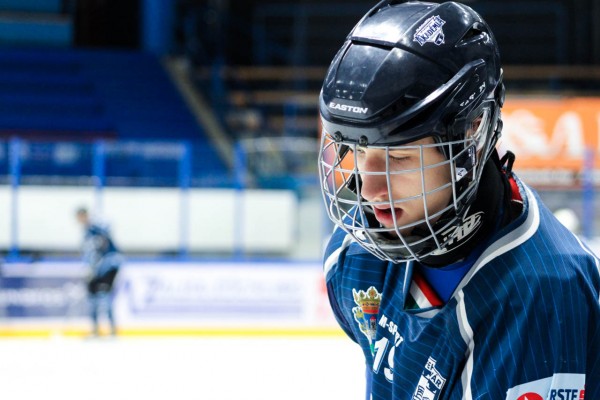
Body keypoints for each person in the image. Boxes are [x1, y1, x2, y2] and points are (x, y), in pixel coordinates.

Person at [317, 1, 600, 399]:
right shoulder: (357, 259)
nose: (368, 190)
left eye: (397, 158)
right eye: (357, 153)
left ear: (472, 131)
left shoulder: (542, 297)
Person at [75, 207, 123, 337]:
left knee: (104, 297)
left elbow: (103, 248)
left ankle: (112, 329)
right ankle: (95, 329)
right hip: (96, 270)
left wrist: (97, 266)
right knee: (92, 298)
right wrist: (89, 268)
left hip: (107, 268)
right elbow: (89, 253)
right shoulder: (87, 232)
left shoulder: (96, 229)